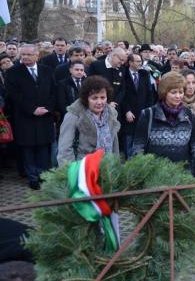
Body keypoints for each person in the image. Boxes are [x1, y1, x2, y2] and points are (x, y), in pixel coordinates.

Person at [133, 71, 195, 179]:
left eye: (181, 92)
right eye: (174, 92)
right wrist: (142, 175)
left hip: (183, 177)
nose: (178, 96)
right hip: (154, 177)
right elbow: (138, 147)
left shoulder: (189, 114)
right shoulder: (148, 114)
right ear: (164, 92)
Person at [5, 44, 55, 190]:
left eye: (28, 54)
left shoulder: (47, 70)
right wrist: (32, 109)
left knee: (43, 147)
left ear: (37, 56)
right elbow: (14, 95)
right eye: (23, 55)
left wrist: (47, 108)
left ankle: (43, 175)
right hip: (25, 117)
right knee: (28, 148)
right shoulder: (13, 72)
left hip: (44, 116)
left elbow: (53, 91)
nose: (25, 57)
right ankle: (32, 177)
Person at [57, 76, 120, 167]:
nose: (99, 102)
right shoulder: (74, 115)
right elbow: (65, 149)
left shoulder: (111, 114)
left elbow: (115, 146)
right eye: (94, 98)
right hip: (82, 171)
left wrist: (115, 169)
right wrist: (71, 174)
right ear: (86, 98)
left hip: (107, 169)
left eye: (103, 97)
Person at [121, 54, 154, 159]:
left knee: (141, 141)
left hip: (142, 113)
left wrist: (149, 111)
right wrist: (127, 111)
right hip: (129, 114)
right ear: (130, 62)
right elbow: (122, 95)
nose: (140, 63)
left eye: (141, 61)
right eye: (137, 61)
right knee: (129, 141)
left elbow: (149, 94)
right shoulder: (123, 74)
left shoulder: (145, 74)